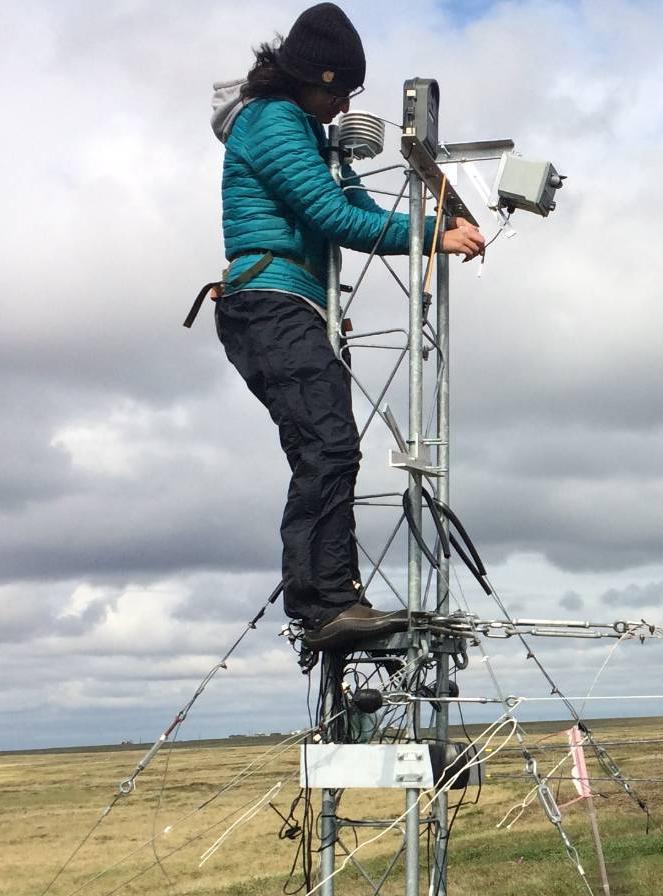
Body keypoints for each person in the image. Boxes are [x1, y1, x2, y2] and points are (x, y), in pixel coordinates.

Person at [205, 3, 484, 648]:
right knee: (326, 447)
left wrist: (429, 228)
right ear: (317, 78)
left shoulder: (309, 132)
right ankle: (323, 604)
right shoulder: (273, 122)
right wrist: (433, 235)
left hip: (291, 305)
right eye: (343, 91)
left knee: (328, 446)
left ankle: (336, 596)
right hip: (268, 304)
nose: (345, 105)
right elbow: (335, 219)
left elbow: (354, 209)